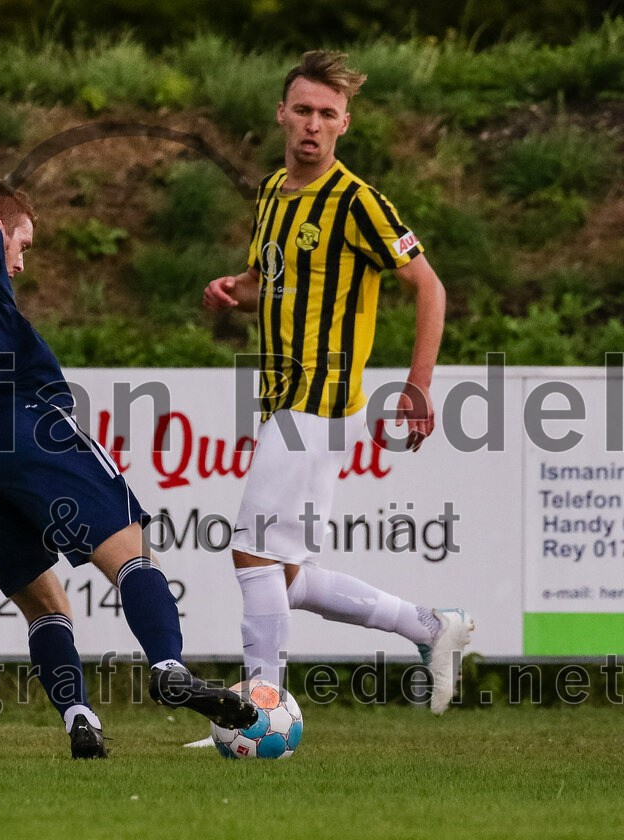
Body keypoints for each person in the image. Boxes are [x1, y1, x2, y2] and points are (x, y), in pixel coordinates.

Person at [0, 178, 257, 757]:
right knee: (133, 555)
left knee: (44, 603)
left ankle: (78, 716)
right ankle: (167, 666)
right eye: (24, 244)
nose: (18, 262)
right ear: (4, 228)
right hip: (23, 426)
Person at [202, 51, 472, 714]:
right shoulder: (272, 192)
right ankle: (431, 627)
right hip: (285, 404)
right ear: (281, 114)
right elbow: (270, 274)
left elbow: (429, 287)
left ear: (344, 124)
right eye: (303, 111)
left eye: (326, 114)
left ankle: (260, 706)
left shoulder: (357, 202)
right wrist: (232, 290)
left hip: (317, 406)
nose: (312, 126)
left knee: (250, 557)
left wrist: (417, 386)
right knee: (286, 575)